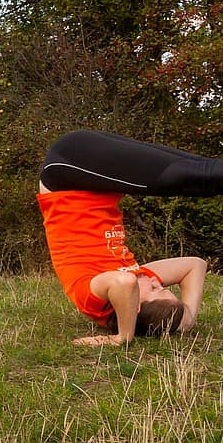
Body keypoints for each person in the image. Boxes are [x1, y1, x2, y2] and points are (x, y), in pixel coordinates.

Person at [38, 130, 212, 346]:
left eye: (157, 289)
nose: (156, 281)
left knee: (204, 176)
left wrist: (124, 336)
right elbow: (195, 265)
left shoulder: (94, 299)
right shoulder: (141, 279)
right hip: (94, 179)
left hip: (68, 175)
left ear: (135, 305)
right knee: (200, 168)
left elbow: (124, 283)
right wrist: (188, 318)